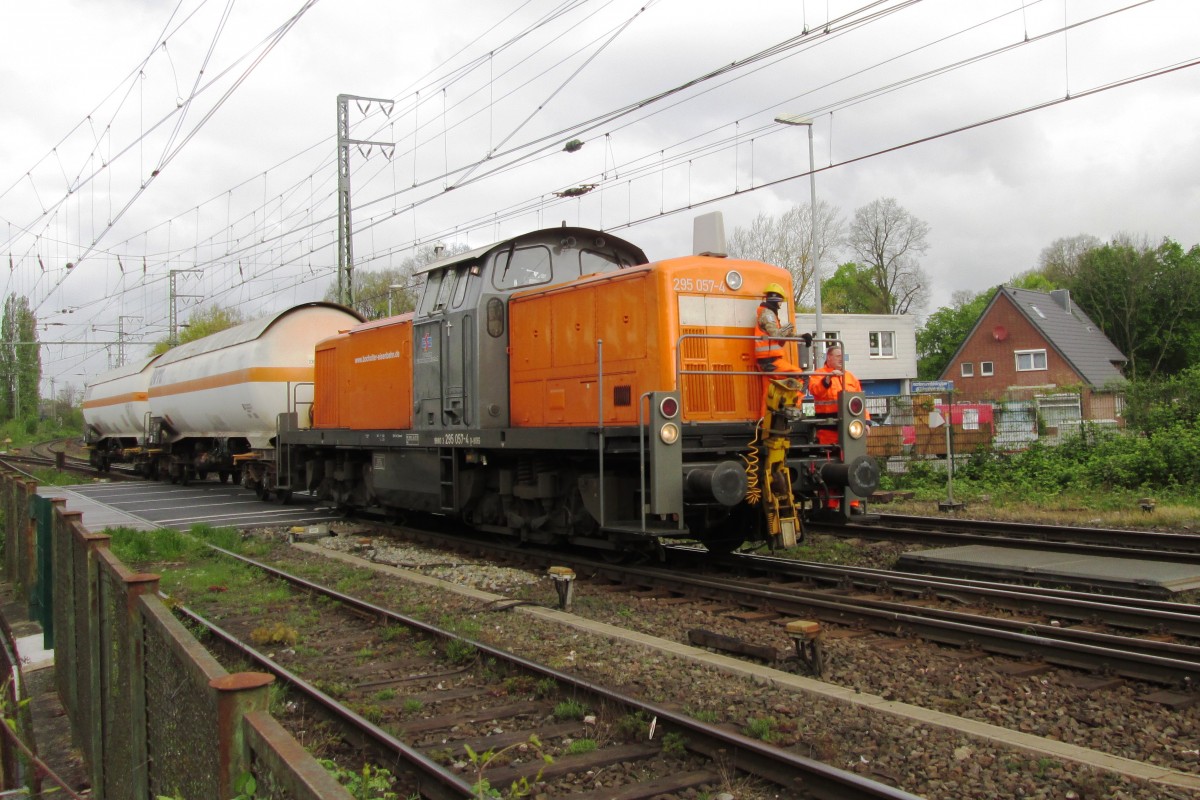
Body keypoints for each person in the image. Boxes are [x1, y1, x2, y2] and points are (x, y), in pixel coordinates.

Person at [809, 345, 870, 446]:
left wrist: (866, 421)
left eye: (842, 356)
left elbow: (859, 402)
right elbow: (815, 390)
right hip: (827, 428)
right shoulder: (818, 374)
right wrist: (828, 378)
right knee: (828, 457)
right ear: (829, 357)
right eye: (838, 356)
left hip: (850, 427)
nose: (841, 359)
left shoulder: (850, 377)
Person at [754, 283, 802, 376]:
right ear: (776, 300)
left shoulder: (769, 314)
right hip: (769, 361)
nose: (781, 304)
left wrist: (802, 337)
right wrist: (789, 326)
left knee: (769, 390)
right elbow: (776, 335)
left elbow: (781, 334)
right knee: (800, 375)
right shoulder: (768, 314)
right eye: (781, 301)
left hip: (767, 361)